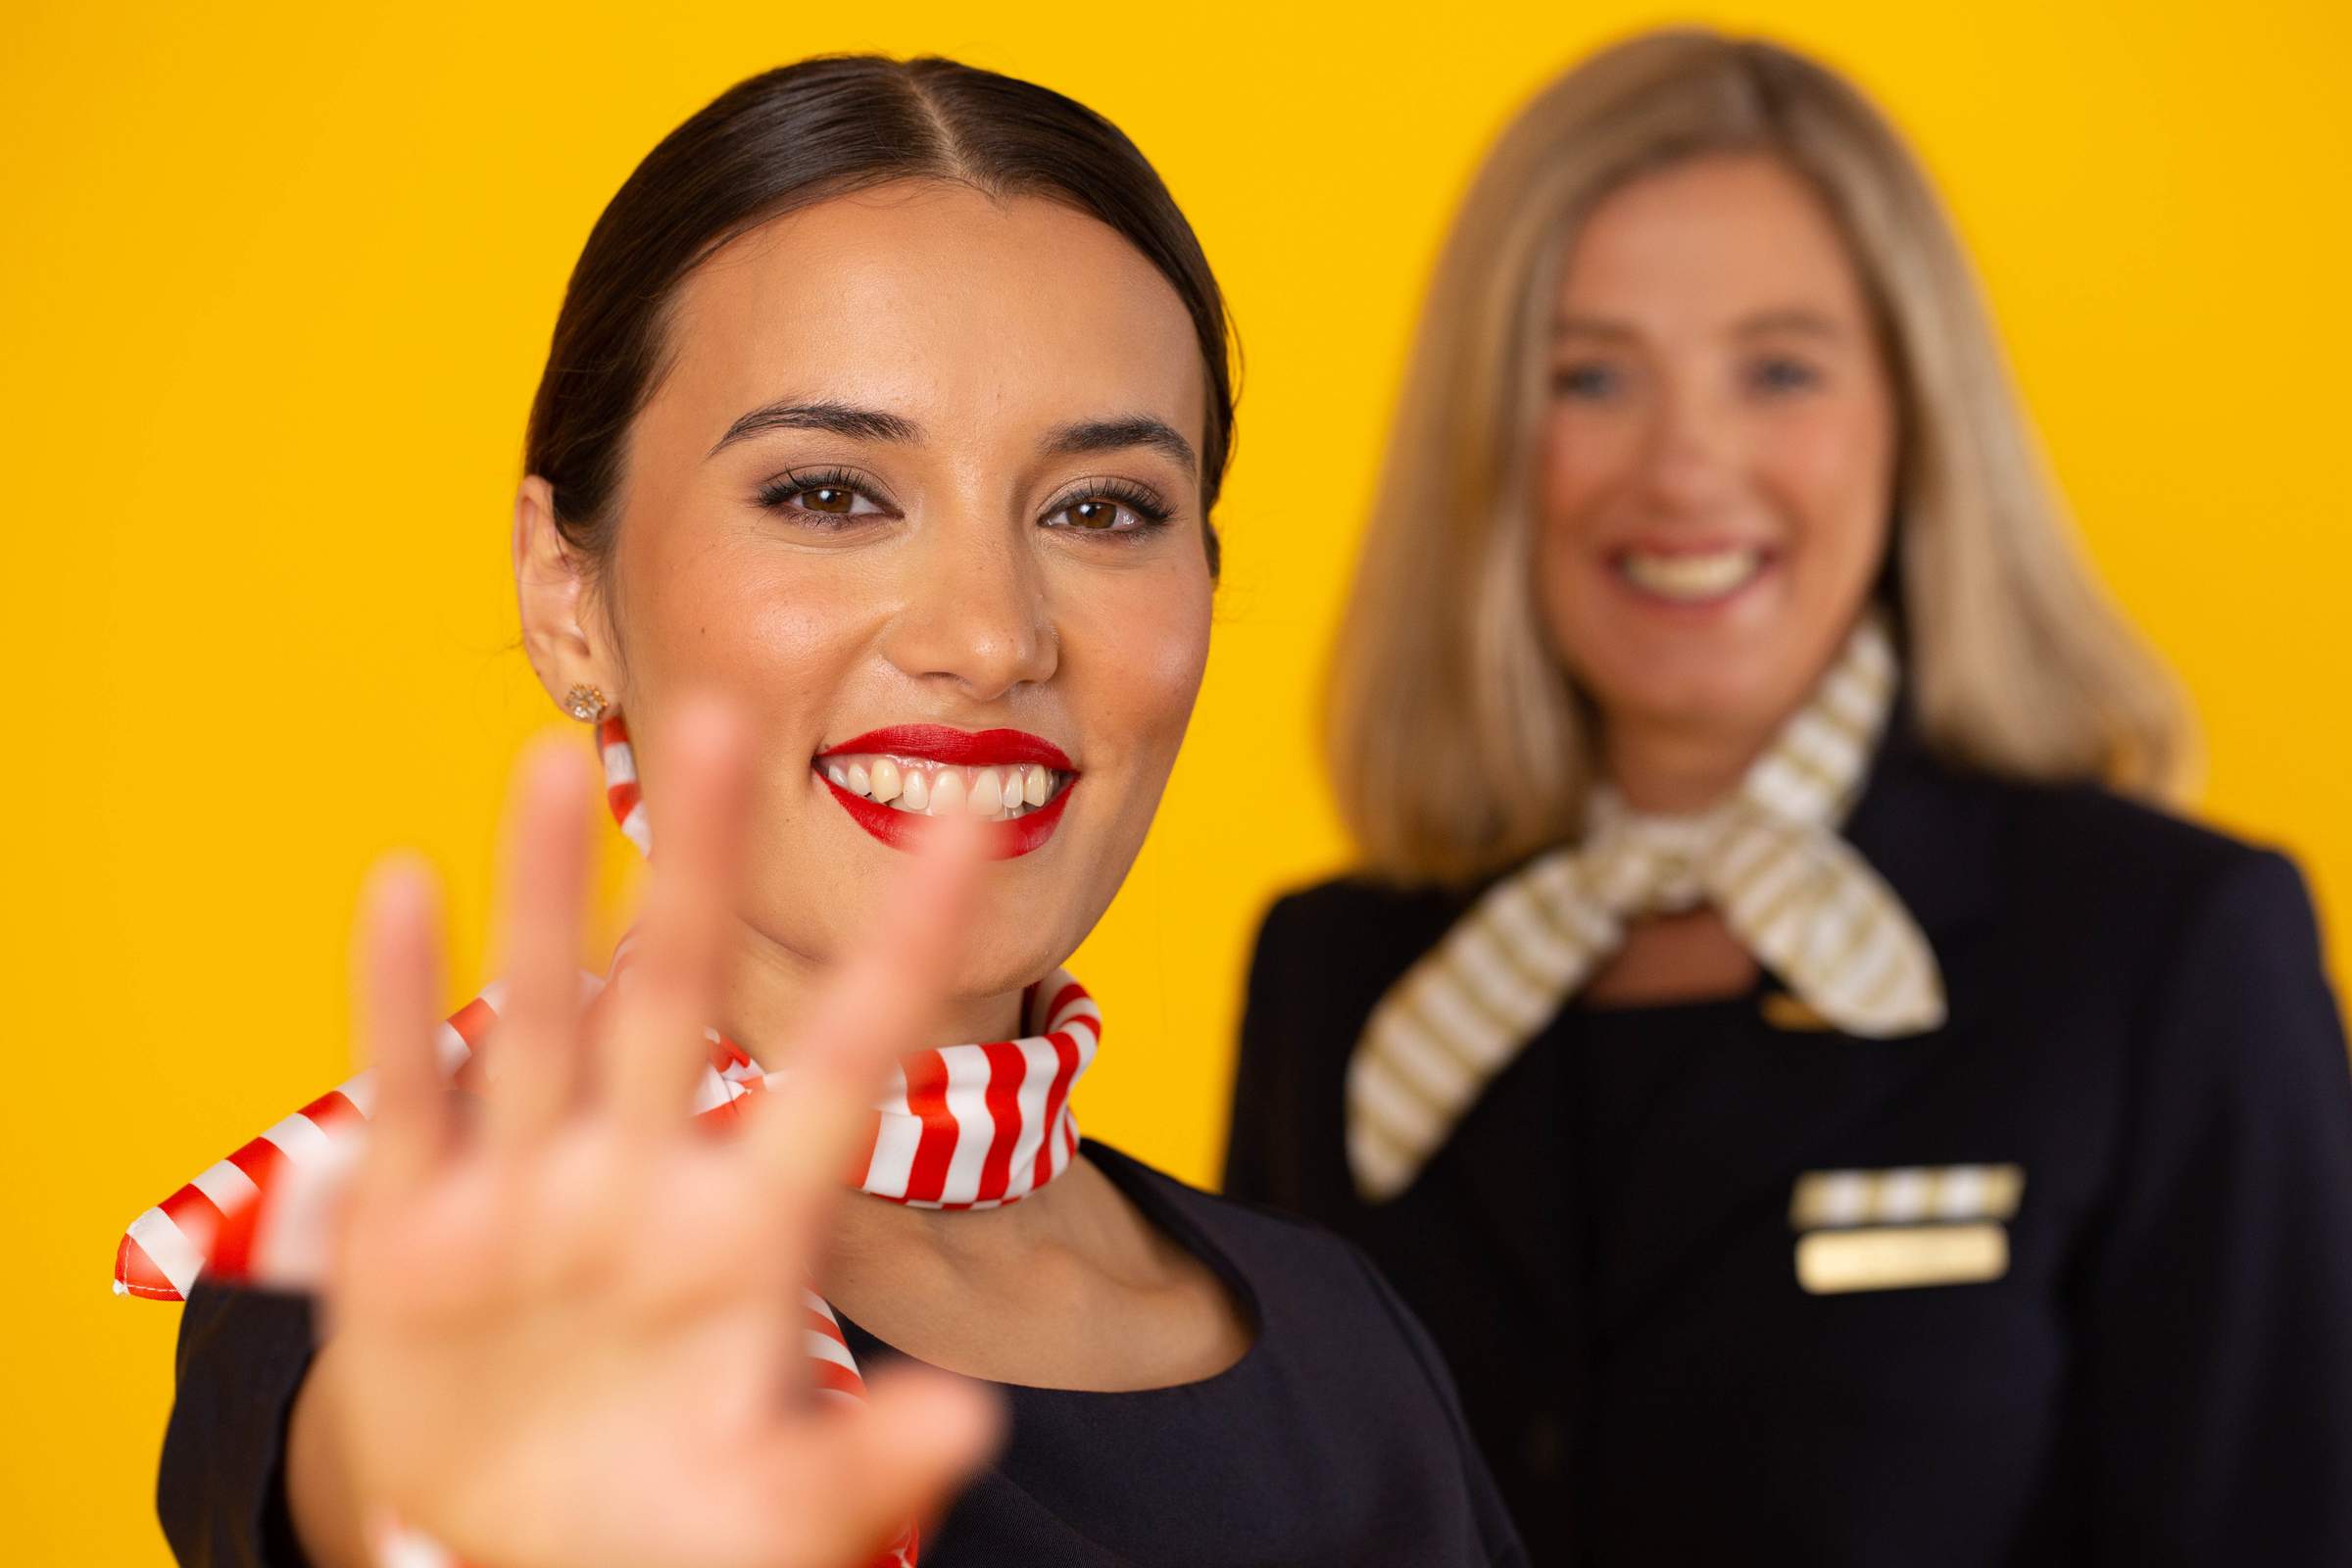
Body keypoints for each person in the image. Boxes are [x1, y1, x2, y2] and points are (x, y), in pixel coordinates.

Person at [133, 54, 1524, 1568]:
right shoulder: (418, 1280)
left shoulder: (1346, 1338)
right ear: (567, 592)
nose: (992, 636)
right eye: (828, 495)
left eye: (1102, 509)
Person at [1224, 27, 2352, 1567]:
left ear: (1910, 418)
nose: (1686, 469)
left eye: (1779, 370)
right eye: (1593, 375)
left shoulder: (2164, 953)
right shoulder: (1337, 978)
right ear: (1489, 439)